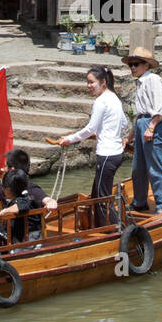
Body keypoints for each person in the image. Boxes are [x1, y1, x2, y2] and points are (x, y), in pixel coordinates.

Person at [57, 65, 128, 227]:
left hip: (107, 155)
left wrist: (69, 139)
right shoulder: (114, 98)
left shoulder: (101, 101)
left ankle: (113, 232)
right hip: (116, 154)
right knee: (97, 193)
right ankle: (98, 226)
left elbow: (90, 129)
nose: (89, 86)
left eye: (92, 82)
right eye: (87, 82)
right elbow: (123, 123)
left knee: (102, 199)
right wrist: (107, 131)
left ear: (103, 82)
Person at [121, 46, 162, 214]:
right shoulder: (141, 82)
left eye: (136, 64)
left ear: (146, 66)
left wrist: (151, 127)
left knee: (155, 166)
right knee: (138, 167)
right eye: (131, 65)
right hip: (143, 123)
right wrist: (131, 134)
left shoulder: (153, 80)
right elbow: (140, 112)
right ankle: (140, 201)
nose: (133, 68)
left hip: (153, 124)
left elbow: (160, 108)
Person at [0, 148, 58, 242]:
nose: (3, 169)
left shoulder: (31, 189)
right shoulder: (7, 188)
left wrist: (51, 202)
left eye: (5, 166)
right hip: (12, 236)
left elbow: (45, 199)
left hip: (29, 239)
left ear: (12, 169)